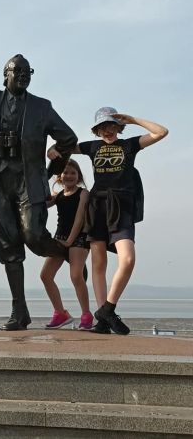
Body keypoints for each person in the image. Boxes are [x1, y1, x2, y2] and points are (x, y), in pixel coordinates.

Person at [0, 55, 78, 330]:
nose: (22, 75)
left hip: (28, 181)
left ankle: (67, 253)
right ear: (5, 74)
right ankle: (20, 310)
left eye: (27, 71)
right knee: (9, 247)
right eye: (17, 71)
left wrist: (51, 168)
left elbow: (68, 138)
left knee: (33, 236)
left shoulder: (42, 107)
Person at [48, 106, 168, 335]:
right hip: (97, 206)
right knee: (98, 264)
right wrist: (53, 150)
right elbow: (60, 148)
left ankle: (108, 309)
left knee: (128, 258)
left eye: (112, 125)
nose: (107, 130)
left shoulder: (129, 145)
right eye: (102, 126)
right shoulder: (92, 147)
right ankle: (102, 321)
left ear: (118, 126)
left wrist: (133, 119)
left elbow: (161, 132)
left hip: (121, 207)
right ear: (96, 130)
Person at [40, 159, 93, 330]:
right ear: (60, 176)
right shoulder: (59, 195)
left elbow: (79, 218)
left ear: (78, 176)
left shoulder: (83, 193)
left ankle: (86, 315)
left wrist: (70, 240)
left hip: (79, 238)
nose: (69, 175)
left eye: (73, 173)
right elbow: (40, 205)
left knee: (76, 275)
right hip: (60, 237)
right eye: (66, 172)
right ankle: (60, 313)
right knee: (45, 276)